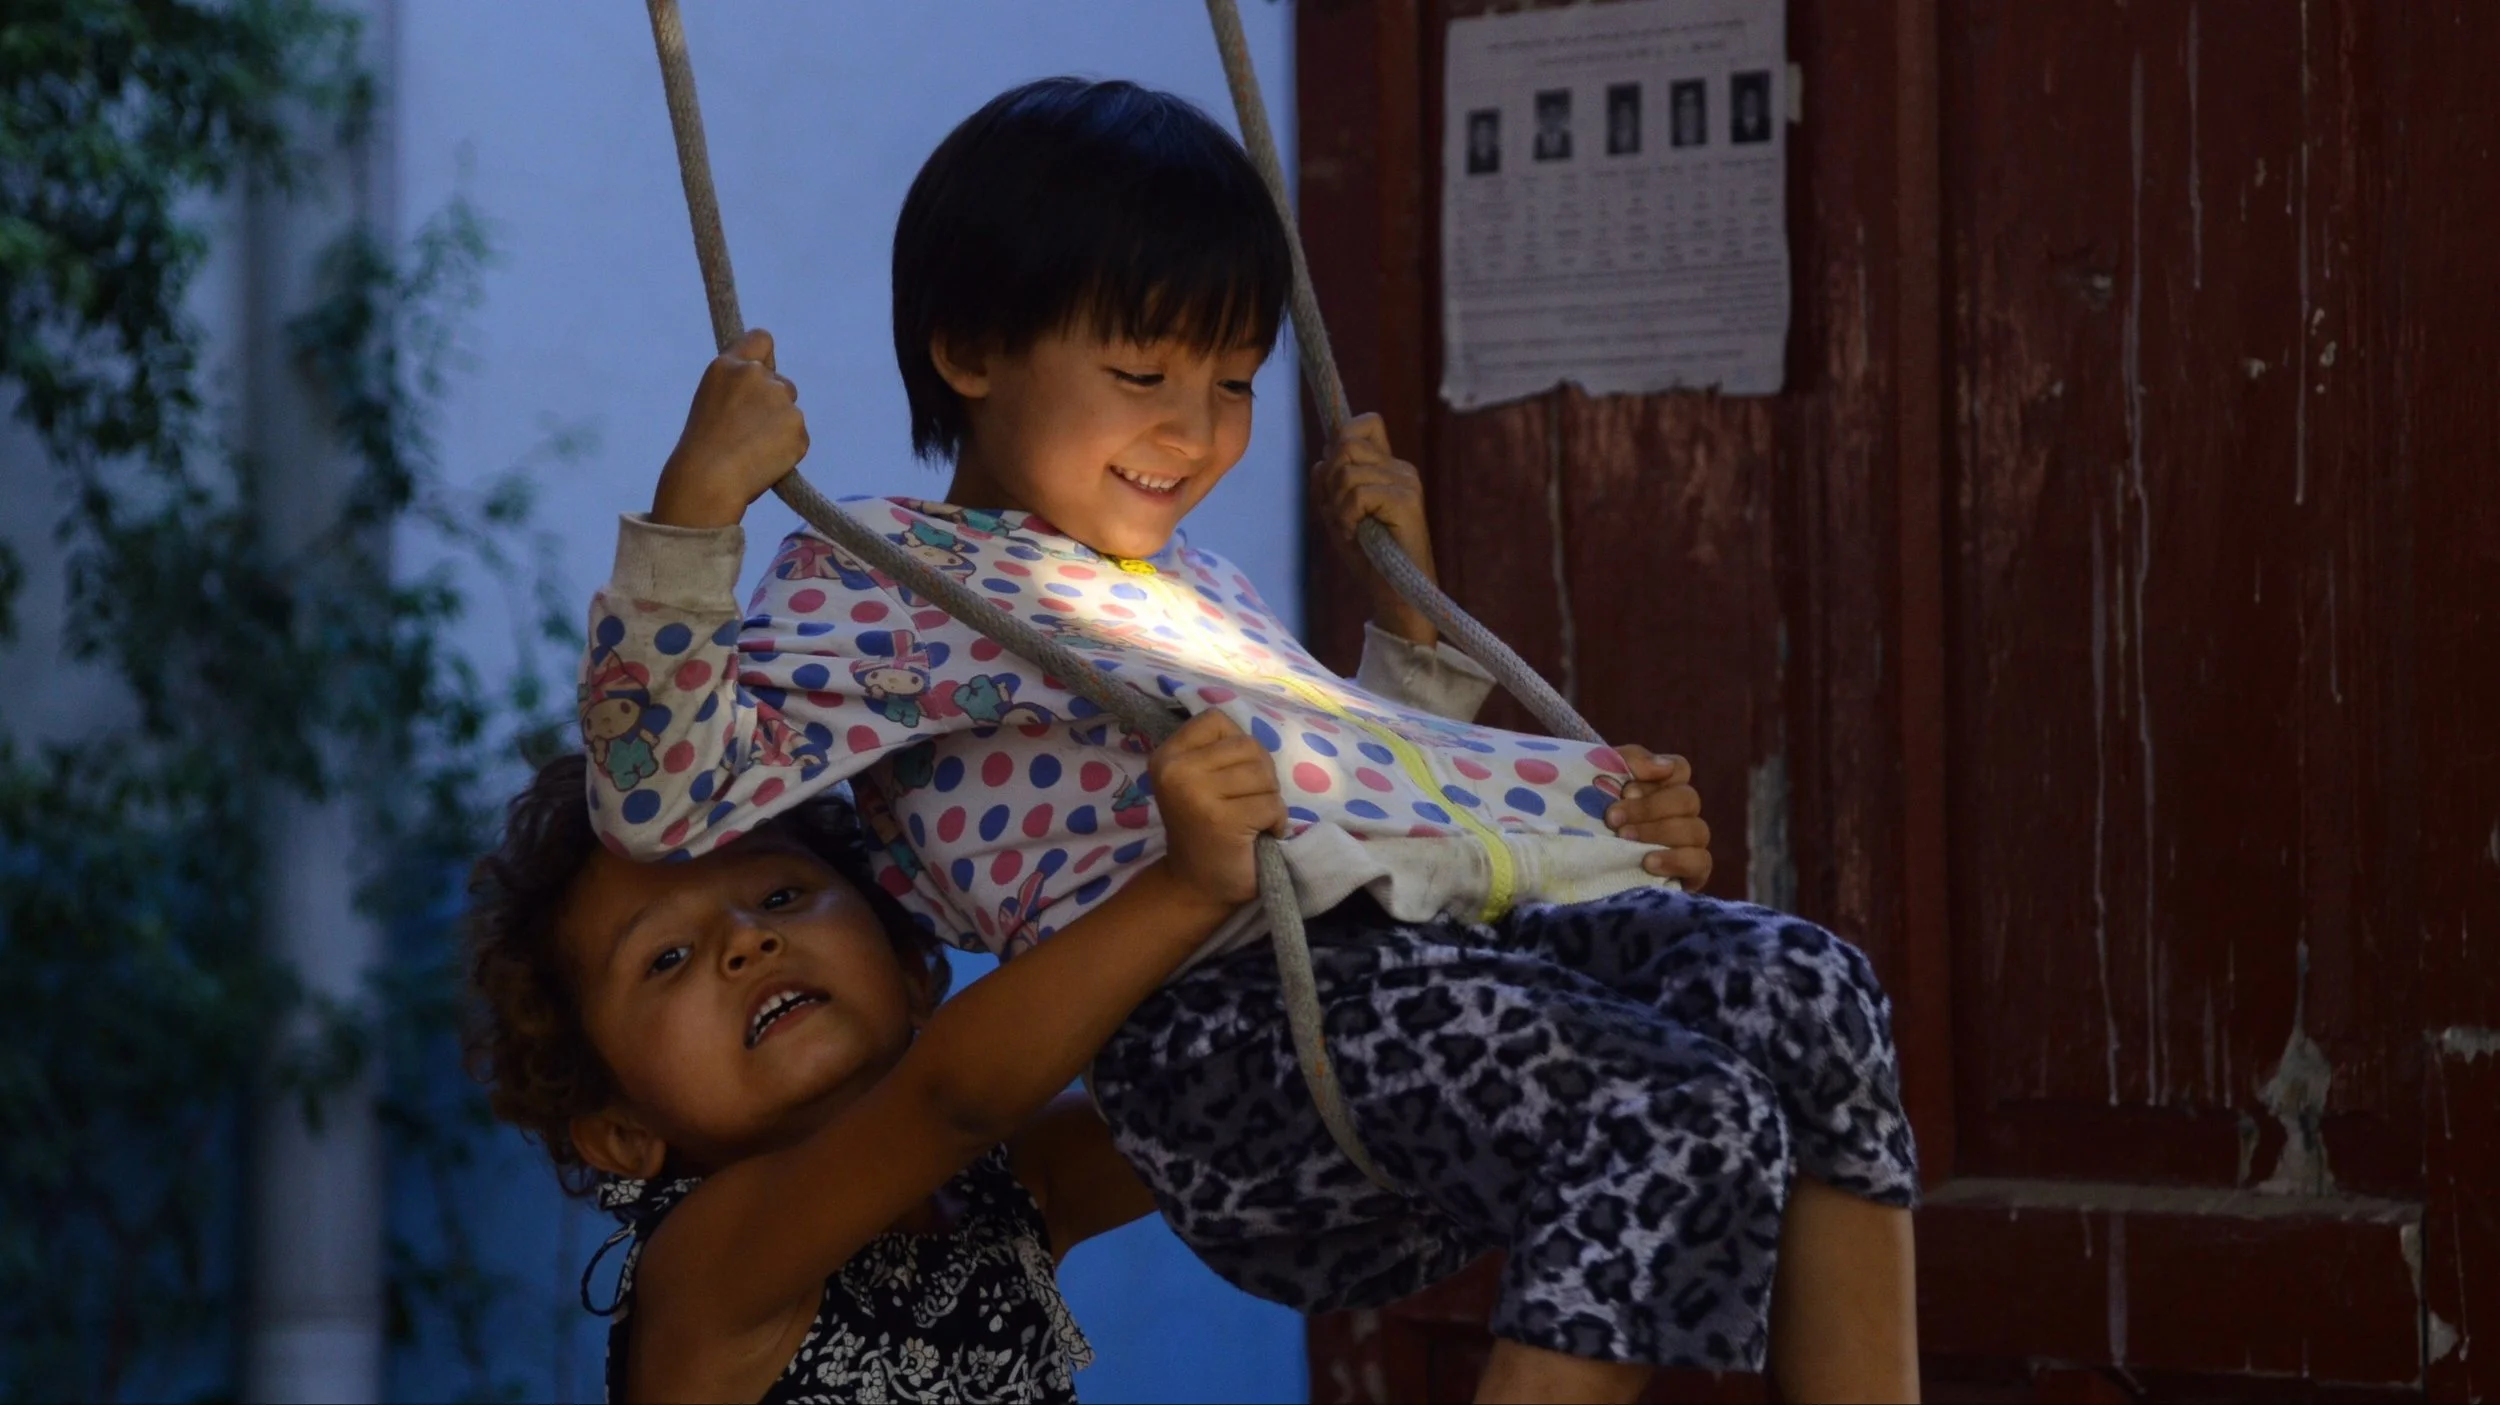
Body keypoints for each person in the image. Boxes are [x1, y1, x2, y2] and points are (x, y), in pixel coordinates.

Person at [577, 76, 1920, 1402]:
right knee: (1670, 1110)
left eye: (1233, 381)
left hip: (1390, 976)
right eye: (1141, 372)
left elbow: (1349, 800)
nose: (1193, 427)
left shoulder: (1195, 594)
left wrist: (1565, 806)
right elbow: (665, 797)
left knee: (1808, 984)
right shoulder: (878, 580)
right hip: (1228, 1041)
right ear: (971, 348)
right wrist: (695, 518)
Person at [463, 734, 1283, 1403]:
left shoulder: (1003, 1185)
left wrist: (1409, 639)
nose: (748, 940)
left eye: (781, 895)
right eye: (667, 956)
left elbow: (1236, 1104)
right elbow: (951, 1099)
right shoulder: (702, 1270)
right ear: (621, 1130)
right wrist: (1183, 889)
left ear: (913, 972)